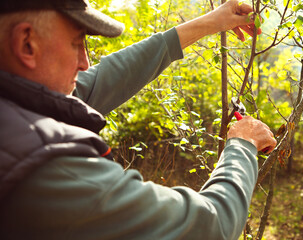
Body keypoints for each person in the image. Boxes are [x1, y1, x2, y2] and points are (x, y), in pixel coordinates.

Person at [0, 0, 276, 239]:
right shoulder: (50, 168)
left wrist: (211, 22)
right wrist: (242, 145)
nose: (85, 62)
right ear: (27, 43)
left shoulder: (16, 105)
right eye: (76, 43)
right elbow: (210, 225)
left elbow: (106, 77)